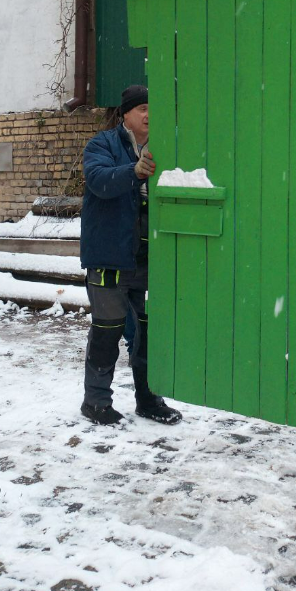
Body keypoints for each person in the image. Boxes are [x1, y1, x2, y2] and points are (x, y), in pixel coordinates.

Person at [79, 85, 182, 426]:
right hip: (109, 256)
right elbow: (98, 180)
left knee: (150, 332)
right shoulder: (102, 144)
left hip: (149, 259)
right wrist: (133, 172)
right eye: (142, 109)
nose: (149, 114)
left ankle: (149, 399)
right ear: (125, 114)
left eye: (155, 108)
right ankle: (95, 402)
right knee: (107, 331)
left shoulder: (166, 146)